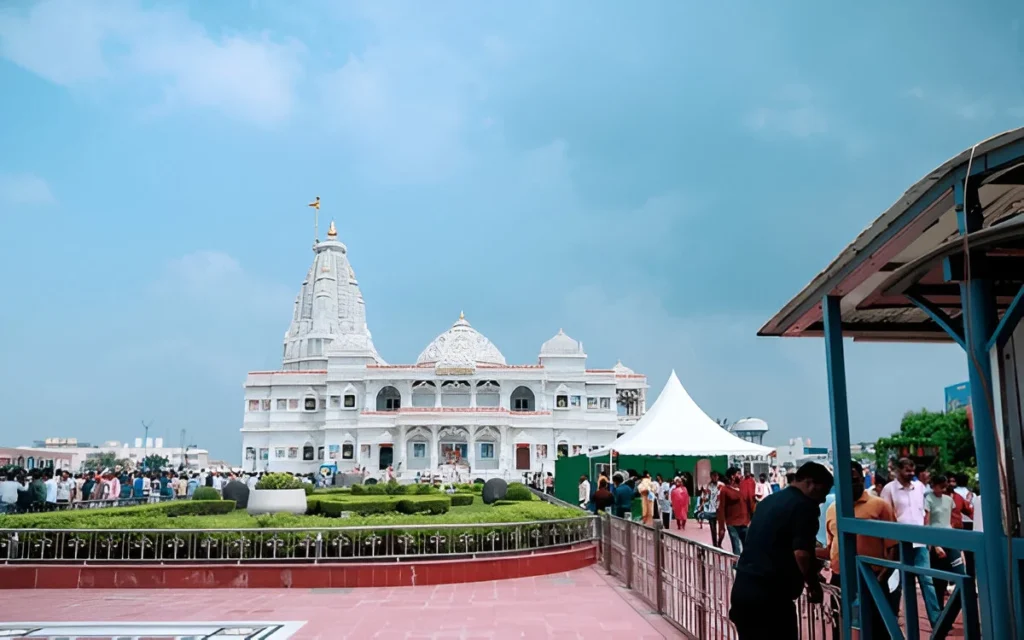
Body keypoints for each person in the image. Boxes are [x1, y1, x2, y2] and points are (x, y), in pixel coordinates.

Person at [729, 462, 833, 640]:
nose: (822, 500)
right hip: (771, 600)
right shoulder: (805, 506)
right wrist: (813, 585)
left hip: (743, 590)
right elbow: (801, 553)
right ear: (810, 483)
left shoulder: (769, 501)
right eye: (822, 492)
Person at [824, 462, 899, 640]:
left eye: (855, 480)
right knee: (842, 627)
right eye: (846, 481)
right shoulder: (832, 510)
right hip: (840, 579)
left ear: (862, 479)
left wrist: (881, 578)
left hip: (872, 579)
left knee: (877, 629)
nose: (851, 485)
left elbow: (893, 547)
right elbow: (831, 547)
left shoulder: (880, 506)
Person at [880, 457, 941, 625]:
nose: (911, 474)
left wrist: (928, 536)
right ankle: (892, 616)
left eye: (912, 470)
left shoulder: (920, 487)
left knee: (927, 580)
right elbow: (886, 515)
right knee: (897, 581)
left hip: (920, 540)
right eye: (907, 470)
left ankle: (936, 620)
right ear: (898, 471)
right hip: (899, 541)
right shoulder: (889, 489)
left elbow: (924, 512)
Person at [925, 474, 965, 609]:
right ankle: (940, 613)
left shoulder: (949, 499)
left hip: (950, 539)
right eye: (940, 487)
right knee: (939, 581)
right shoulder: (928, 499)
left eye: (945, 487)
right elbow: (927, 522)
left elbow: (953, 517)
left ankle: (952, 611)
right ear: (933, 486)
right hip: (936, 541)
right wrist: (934, 545)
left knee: (961, 575)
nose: (943, 490)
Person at [718, 467, 752, 554]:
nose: (740, 476)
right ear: (732, 476)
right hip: (732, 524)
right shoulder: (725, 490)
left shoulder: (742, 488)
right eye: (738, 474)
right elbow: (721, 508)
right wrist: (721, 527)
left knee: (748, 546)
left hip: (744, 523)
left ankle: (746, 566)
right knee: (736, 548)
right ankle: (736, 566)